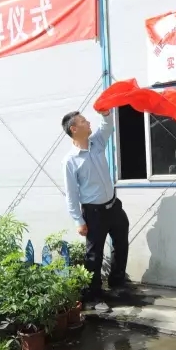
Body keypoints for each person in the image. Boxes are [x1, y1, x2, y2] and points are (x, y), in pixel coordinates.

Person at [61, 109, 130, 313]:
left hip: (113, 206)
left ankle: (117, 284)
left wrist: (105, 114)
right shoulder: (70, 161)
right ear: (74, 129)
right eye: (83, 121)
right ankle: (93, 297)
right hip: (94, 213)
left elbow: (107, 126)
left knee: (121, 244)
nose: (88, 122)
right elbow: (71, 194)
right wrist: (78, 220)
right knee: (94, 256)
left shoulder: (97, 142)